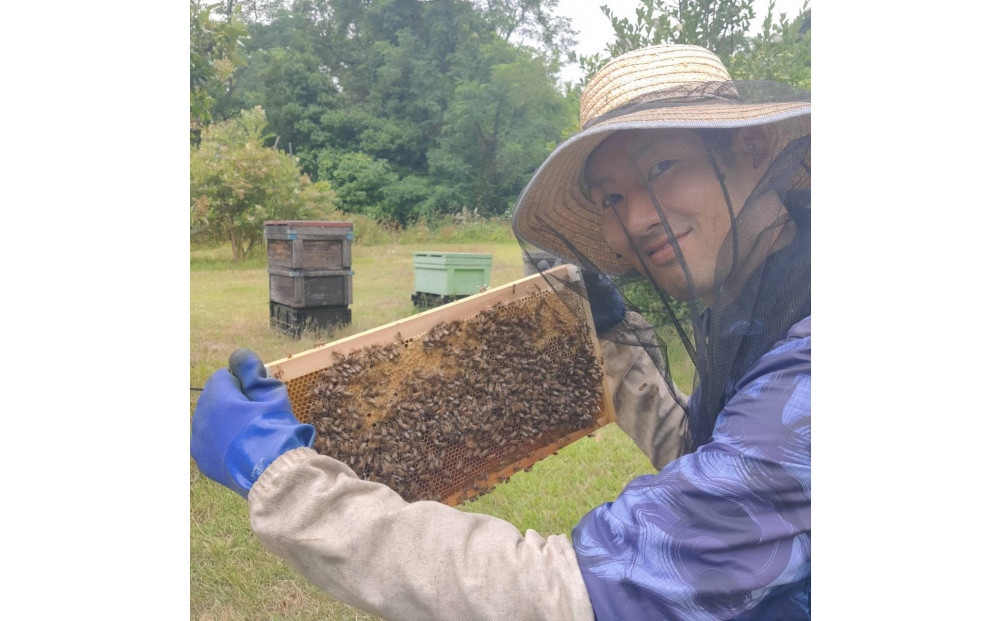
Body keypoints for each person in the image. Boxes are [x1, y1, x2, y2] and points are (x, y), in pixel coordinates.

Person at [191, 43, 810, 620]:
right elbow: (719, 467)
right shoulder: (763, 306)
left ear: (754, 148)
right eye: (612, 198)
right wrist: (614, 346)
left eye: (663, 166)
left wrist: (288, 484)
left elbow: (574, 595)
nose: (638, 218)